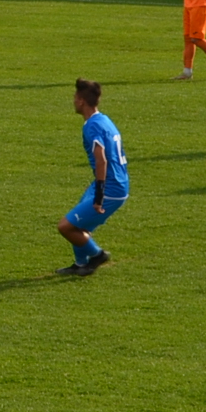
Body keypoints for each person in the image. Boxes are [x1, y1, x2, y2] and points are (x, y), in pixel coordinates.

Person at [56, 79, 129, 276]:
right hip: (113, 182)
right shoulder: (103, 120)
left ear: (81, 101)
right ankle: (81, 264)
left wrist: (99, 195)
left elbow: (101, 160)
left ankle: (97, 255)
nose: (73, 101)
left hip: (111, 188)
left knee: (65, 227)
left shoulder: (92, 127)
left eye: (75, 97)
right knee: (78, 225)